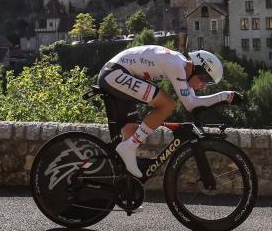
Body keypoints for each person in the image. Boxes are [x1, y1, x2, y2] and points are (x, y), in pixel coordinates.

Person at [97, 44, 241, 177]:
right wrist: (225, 96)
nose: (204, 86)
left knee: (130, 129)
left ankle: (126, 187)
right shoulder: (176, 66)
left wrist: (224, 97)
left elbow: (192, 100)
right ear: (198, 70)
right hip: (114, 73)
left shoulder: (182, 64)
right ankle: (129, 146)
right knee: (167, 104)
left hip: (117, 73)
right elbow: (191, 104)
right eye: (205, 80)